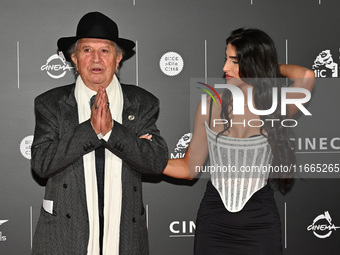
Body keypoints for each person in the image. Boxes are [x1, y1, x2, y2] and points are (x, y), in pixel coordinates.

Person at [162, 28, 315, 254]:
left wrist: (266, 65)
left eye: (235, 61)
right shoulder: (210, 104)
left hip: (260, 218)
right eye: (226, 59)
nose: (225, 68)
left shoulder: (277, 105)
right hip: (214, 219)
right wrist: (143, 157)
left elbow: (306, 76)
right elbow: (188, 169)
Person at [31, 12, 168, 255]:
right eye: (86, 50)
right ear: (74, 59)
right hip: (64, 237)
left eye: (105, 50)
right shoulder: (50, 104)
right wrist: (91, 131)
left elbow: (156, 161)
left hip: (125, 236)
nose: (96, 58)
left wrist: (113, 132)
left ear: (118, 59)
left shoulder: (142, 102)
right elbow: (42, 164)